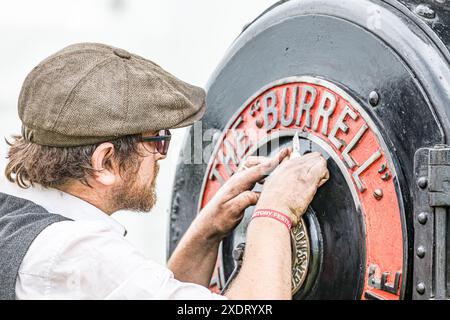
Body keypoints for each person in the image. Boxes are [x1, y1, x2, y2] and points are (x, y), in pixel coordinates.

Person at [0, 43, 329, 300]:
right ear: (105, 162)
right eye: (158, 140)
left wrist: (207, 231)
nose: (161, 157)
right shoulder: (80, 254)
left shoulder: (21, 224)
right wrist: (275, 211)